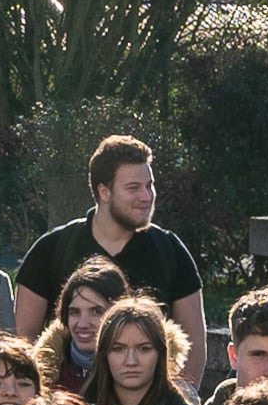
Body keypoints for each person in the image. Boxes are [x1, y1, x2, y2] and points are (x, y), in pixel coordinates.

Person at [17, 131, 207, 345]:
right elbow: (24, 344)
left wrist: (180, 380)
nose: (146, 196)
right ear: (104, 192)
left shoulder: (170, 251)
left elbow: (194, 345)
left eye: (149, 185)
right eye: (133, 188)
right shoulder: (51, 250)